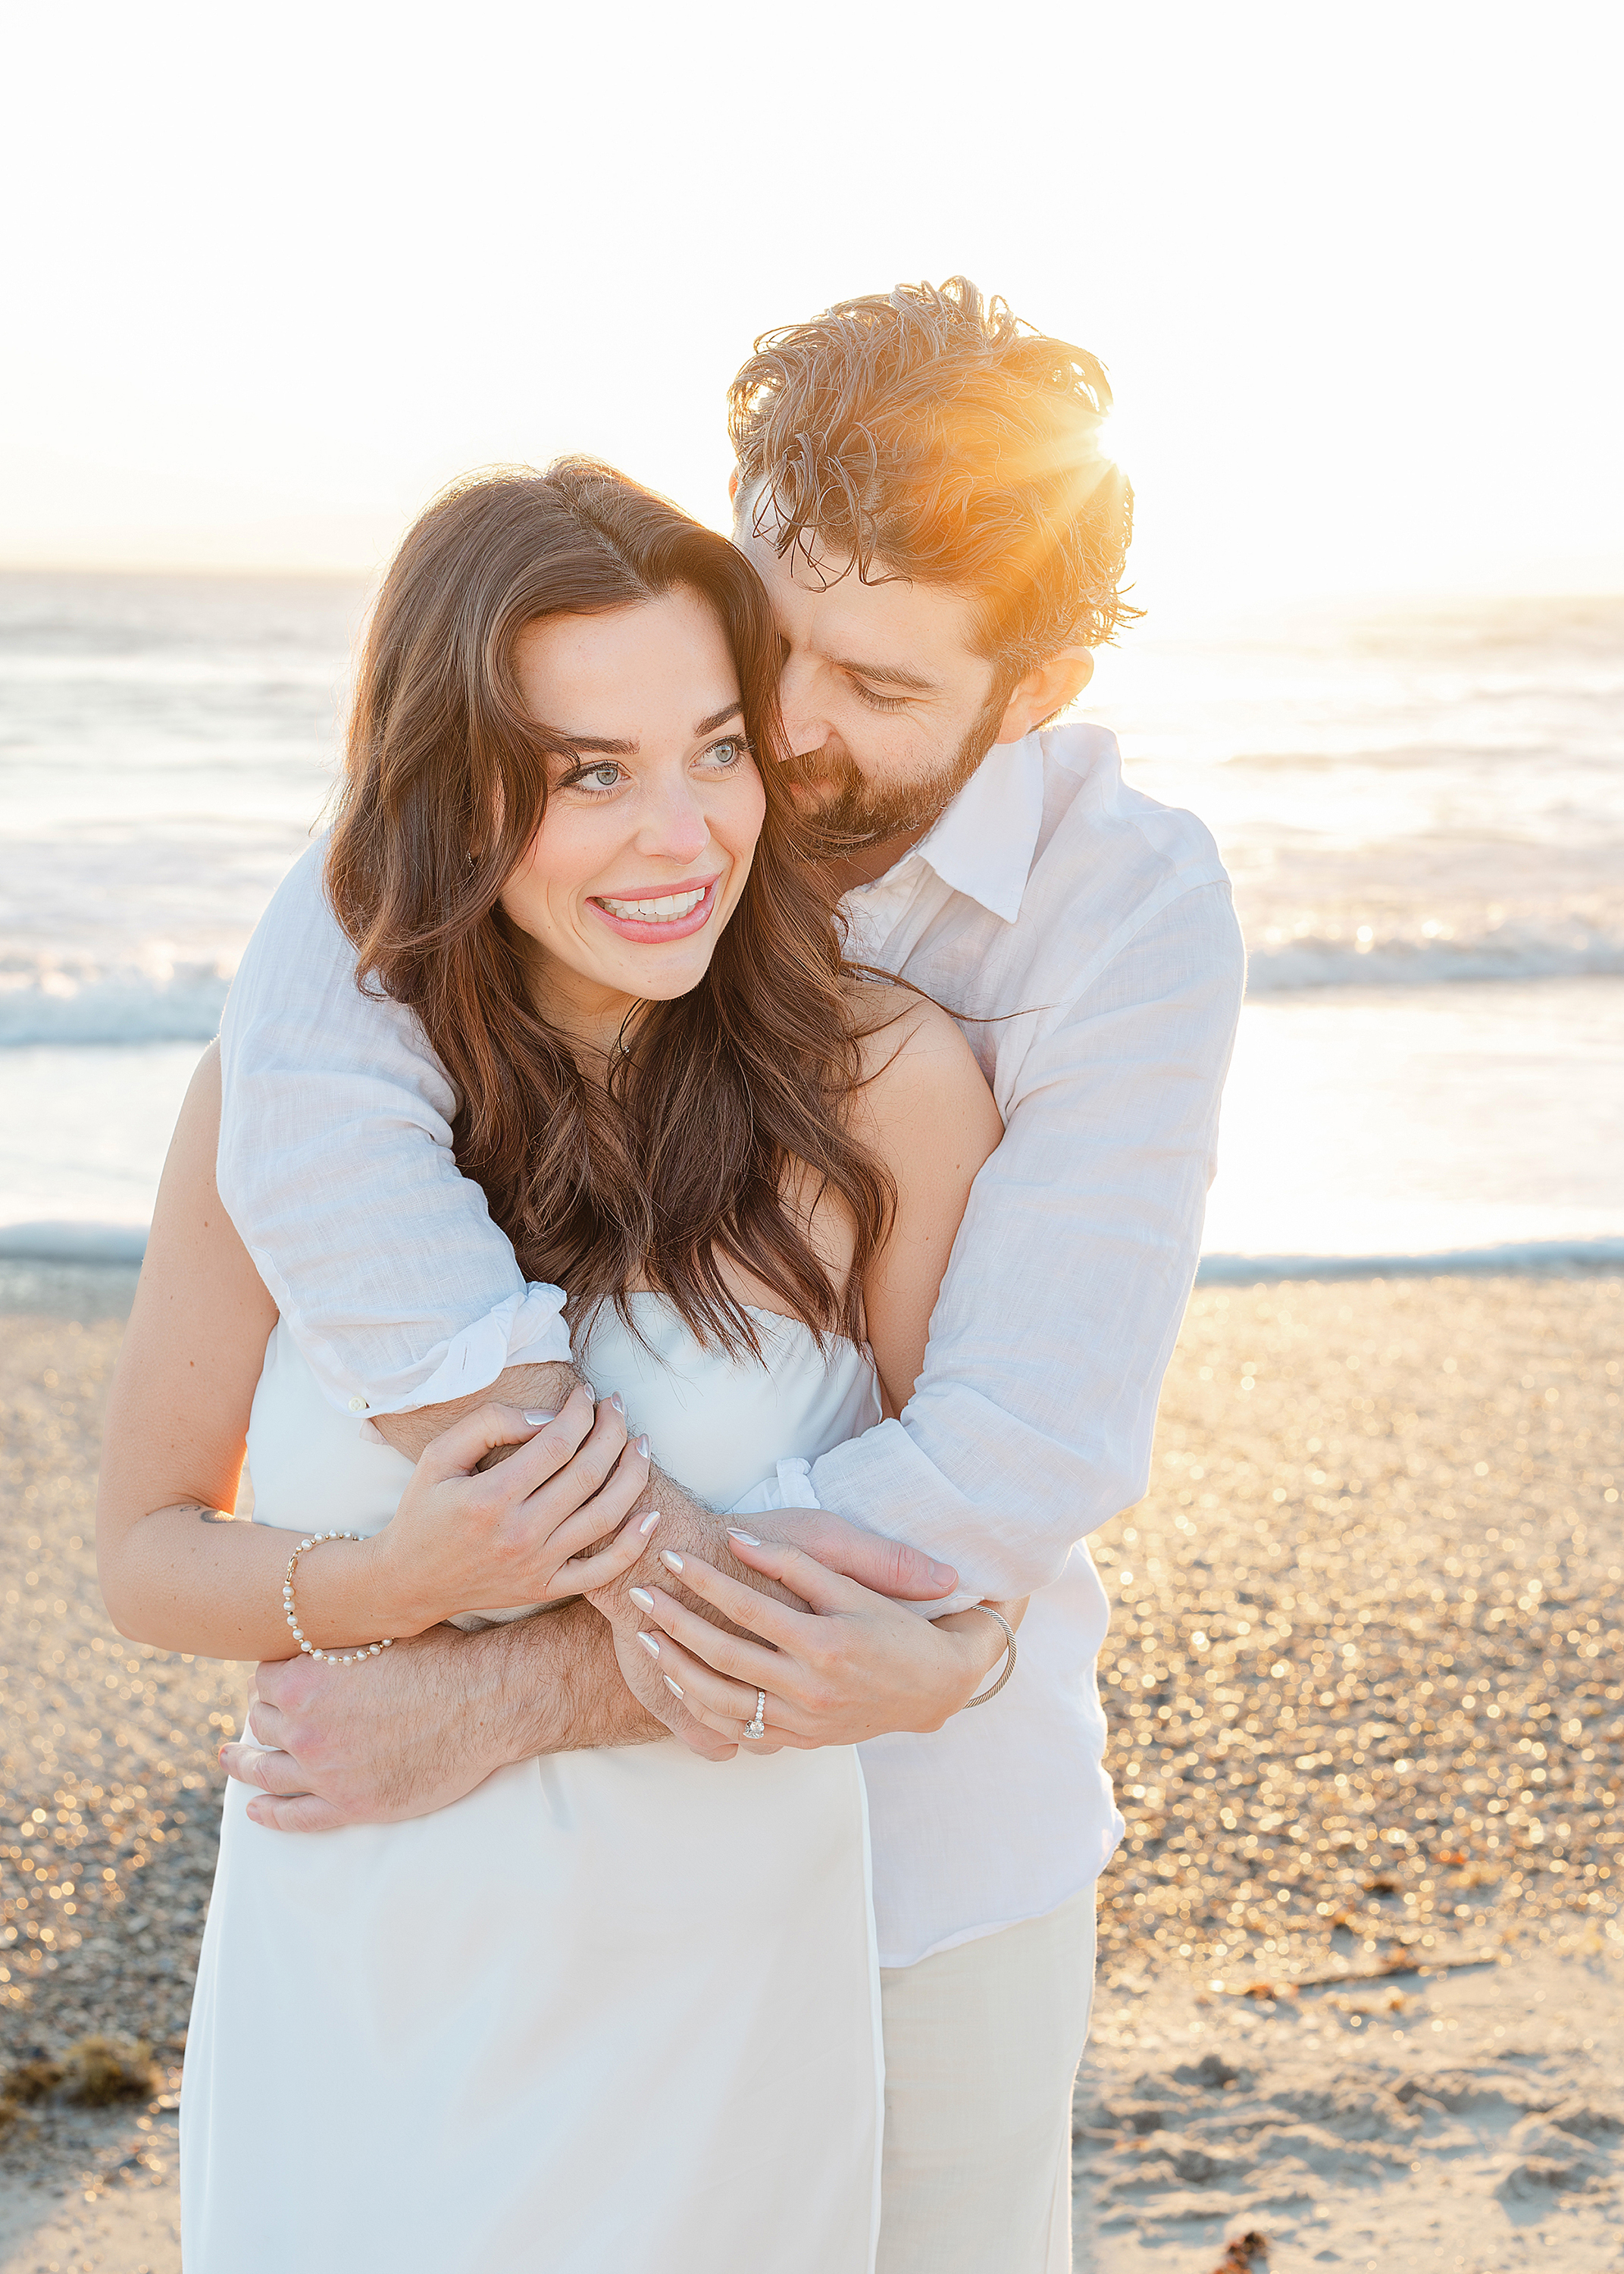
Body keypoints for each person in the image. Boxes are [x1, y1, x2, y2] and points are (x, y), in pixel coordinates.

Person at [208, 279, 1247, 2272]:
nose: (785, 725)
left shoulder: (1130, 918)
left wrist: (529, 1680)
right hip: (605, 1891)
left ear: (1032, 689)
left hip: (929, 1858)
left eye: (874, 682)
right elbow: (317, 1109)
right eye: (784, 632)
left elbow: (1019, 1446)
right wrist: (557, 1522)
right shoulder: (638, 767)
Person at [95, 460, 1015, 2272]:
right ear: (453, 797)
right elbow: (140, 1555)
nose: (682, 834)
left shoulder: (886, 1093)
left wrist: (935, 1669)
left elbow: (977, 1574)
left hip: (710, 1987)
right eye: (588, 774)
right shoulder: (284, 1116)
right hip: (356, 1967)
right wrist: (389, 1584)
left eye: (714, 748)